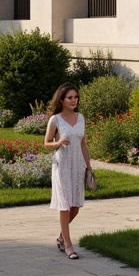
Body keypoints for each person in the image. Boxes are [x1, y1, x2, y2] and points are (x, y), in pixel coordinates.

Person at [43, 83, 90, 260]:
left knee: (75, 206)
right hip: (62, 164)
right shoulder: (55, 120)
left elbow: (83, 143)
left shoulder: (81, 118)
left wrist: (89, 166)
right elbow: (46, 143)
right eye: (70, 97)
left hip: (77, 165)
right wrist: (58, 142)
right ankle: (69, 246)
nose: (74, 100)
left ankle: (61, 237)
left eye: (76, 97)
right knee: (64, 204)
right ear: (61, 99)